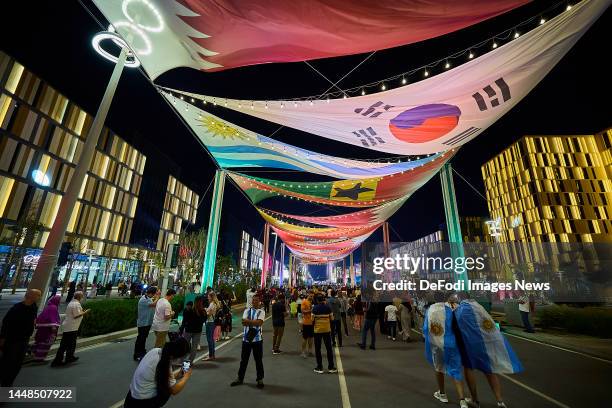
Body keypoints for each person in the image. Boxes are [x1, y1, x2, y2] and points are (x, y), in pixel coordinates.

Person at [454, 297, 522, 408]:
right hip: (484, 344)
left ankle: (475, 400)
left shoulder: (459, 310)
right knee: (489, 370)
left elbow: (455, 327)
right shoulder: (479, 308)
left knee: (469, 369)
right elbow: (489, 325)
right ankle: (500, 401)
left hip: (468, 344)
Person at [423, 297, 469, 408]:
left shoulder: (431, 309)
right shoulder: (454, 309)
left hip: (437, 344)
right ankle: (462, 400)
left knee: (439, 368)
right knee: (456, 370)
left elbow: (425, 328)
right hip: (452, 343)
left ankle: (442, 394)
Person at [124, 338, 192, 407]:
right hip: (142, 402)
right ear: (175, 356)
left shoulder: (155, 351)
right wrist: (186, 377)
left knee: (164, 384)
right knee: (167, 390)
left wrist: (179, 374)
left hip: (130, 399)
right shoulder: (164, 364)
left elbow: (161, 376)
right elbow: (174, 390)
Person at [0, 289, 41, 386]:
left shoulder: (34, 307)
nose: (39, 297)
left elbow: (33, 319)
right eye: (38, 295)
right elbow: (6, 324)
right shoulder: (16, 309)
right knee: (8, 364)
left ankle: (7, 386)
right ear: (31, 296)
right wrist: (2, 339)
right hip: (12, 340)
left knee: (17, 365)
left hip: (24, 340)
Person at [230, 295, 265, 388]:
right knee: (243, 360)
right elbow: (243, 322)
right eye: (253, 300)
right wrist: (254, 322)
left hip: (257, 340)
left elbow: (260, 323)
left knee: (258, 361)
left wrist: (249, 321)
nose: (254, 302)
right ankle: (240, 378)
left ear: (259, 301)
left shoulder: (261, 311)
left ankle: (260, 379)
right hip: (246, 340)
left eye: (256, 300)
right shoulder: (246, 311)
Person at [52, 291, 89, 367]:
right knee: (65, 344)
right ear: (79, 297)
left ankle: (69, 357)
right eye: (82, 296)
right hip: (71, 327)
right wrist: (85, 312)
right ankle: (58, 360)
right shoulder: (76, 304)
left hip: (71, 326)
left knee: (70, 344)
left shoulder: (72, 303)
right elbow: (76, 315)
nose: (82, 298)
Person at [32, 294, 61, 361]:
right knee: (45, 344)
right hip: (48, 330)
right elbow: (53, 319)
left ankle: (35, 354)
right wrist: (54, 329)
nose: (59, 302)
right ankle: (39, 358)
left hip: (42, 329)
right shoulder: (53, 308)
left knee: (40, 342)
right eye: (59, 300)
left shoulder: (49, 306)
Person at [312, 296, 337, 374]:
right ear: (323, 300)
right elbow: (332, 319)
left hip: (317, 331)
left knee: (318, 349)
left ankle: (320, 367)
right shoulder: (328, 308)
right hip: (327, 330)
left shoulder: (314, 308)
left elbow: (312, 319)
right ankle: (331, 367)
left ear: (317, 300)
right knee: (329, 348)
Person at [134, 286, 159, 361]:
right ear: (151, 293)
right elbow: (153, 304)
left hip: (147, 323)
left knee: (143, 338)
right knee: (140, 339)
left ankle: (142, 352)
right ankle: (137, 354)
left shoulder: (148, 298)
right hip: (143, 323)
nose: (154, 295)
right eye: (154, 294)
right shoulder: (143, 299)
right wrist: (158, 297)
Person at [182, 296, 206, 364]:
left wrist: (182, 328)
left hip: (188, 330)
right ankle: (190, 362)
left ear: (194, 301)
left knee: (185, 346)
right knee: (194, 347)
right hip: (198, 331)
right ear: (201, 302)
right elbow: (204, 320)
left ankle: (183, 361)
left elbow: (185, 320)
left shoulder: (188, 310)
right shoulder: (203, 311)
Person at [204, 291, 221, 360]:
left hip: (210, 322)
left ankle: (211, 355)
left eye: (208, 296)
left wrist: (205, 311)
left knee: (209, 339)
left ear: (211, 297)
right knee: (211, 339)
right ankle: (212, 354)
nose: (208, 298)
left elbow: (208, 314)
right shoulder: (215, 304)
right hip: (213, 322)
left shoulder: (212, 304)